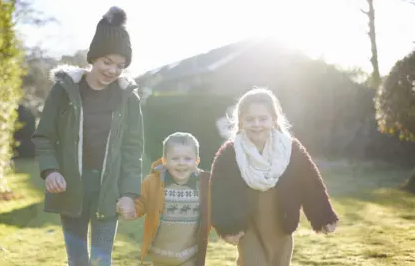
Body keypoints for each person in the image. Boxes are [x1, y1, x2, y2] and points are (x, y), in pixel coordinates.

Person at [31, 6, 144, 266]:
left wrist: (128, 192)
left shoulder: (129, 98)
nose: (113, 70)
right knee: (78, 259)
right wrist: (51, 171)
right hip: (71, 188)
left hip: (109, 190)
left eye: (120, 65)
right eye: (107, 62)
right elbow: (44, 136)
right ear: (93, 58)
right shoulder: (64, 91)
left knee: (102, 259)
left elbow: (133, 149)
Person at [210, 88, 339, 266]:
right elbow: (219, 191)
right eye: (250, 119)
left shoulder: (290, 149)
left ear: (274, 120)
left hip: (281, 220)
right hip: (249, 224)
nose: (257, 124)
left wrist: (323, 217)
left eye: (263, 118)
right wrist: (227, 227)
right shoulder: (230, 153)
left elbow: (310, 183)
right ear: (240, 122)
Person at [118, 132, 211, 266]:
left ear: (196, 161)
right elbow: (141, 202)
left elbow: (215, 210)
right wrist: (132, 211)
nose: (181, 163)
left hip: (190, 255)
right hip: (159, 255)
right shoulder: (153, 182)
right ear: (164, 161)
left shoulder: (205, 184)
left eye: (187, 158)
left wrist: (228, 229)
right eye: (175, 158)